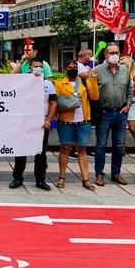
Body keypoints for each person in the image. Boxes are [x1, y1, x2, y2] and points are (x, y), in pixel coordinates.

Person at [9, 56, 57, 191]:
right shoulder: (23, 82)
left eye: (40, 66)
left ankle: (40, 180)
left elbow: (53, 103)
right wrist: (22, 61)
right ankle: (17, 178)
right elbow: (9, 79)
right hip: (24, 122)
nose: (38, 69)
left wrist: (48, 120)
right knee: (21, 151)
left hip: (42, 123)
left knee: (41, 153)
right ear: (30, 68)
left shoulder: (48, 84)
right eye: (35, 66)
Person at [54, 59, 99, 191]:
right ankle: (61, 177)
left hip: (83, 121)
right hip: (66, 121)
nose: (73, 68)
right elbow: (57, 100)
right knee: (65, 148)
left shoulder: (84, 82)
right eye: (70, 67)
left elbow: (95, 97)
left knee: (82, 149)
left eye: (75, 66)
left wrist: (93, 80)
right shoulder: (59, 83)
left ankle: (85, 179)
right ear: (65, 69)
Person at [94, 42, 132, 186]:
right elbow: (91, 91)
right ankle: (99, 174)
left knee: (119, 145)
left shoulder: (124, 71)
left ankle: (116, 173)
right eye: (111, 53)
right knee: (100, 145)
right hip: (104, 113)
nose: (114, 55)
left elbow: (129, 89)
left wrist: (128, 105)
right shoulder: (97, 70)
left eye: (116, 52)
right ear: (105, 55)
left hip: (121, 113)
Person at [121, 56, 135, 152]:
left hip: (132, 104)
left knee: (132, 127)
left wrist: (129, 85)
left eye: (123, 64)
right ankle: (121, 149)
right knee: (120, 128)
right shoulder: (118, 75)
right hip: (121, 104)